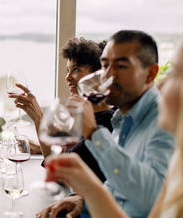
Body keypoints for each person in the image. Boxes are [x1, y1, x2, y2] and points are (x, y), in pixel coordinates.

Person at [37, 30, 175, 218]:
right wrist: (82, 200)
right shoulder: (122, 118)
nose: (108, 76)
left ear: (150, 74)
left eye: (121, 66)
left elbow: (149, 198)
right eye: (105, 66)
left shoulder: (164, 121)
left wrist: (94, 133)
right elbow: (116, 185)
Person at [9, 37, 114, 182]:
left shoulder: (107, 122)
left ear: (99, 75)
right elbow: (63, 155)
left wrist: (39, 117)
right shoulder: (82, 115)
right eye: (67, 70)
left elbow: (59, 174)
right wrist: (42, 146)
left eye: (76, 69)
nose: (67, 77)